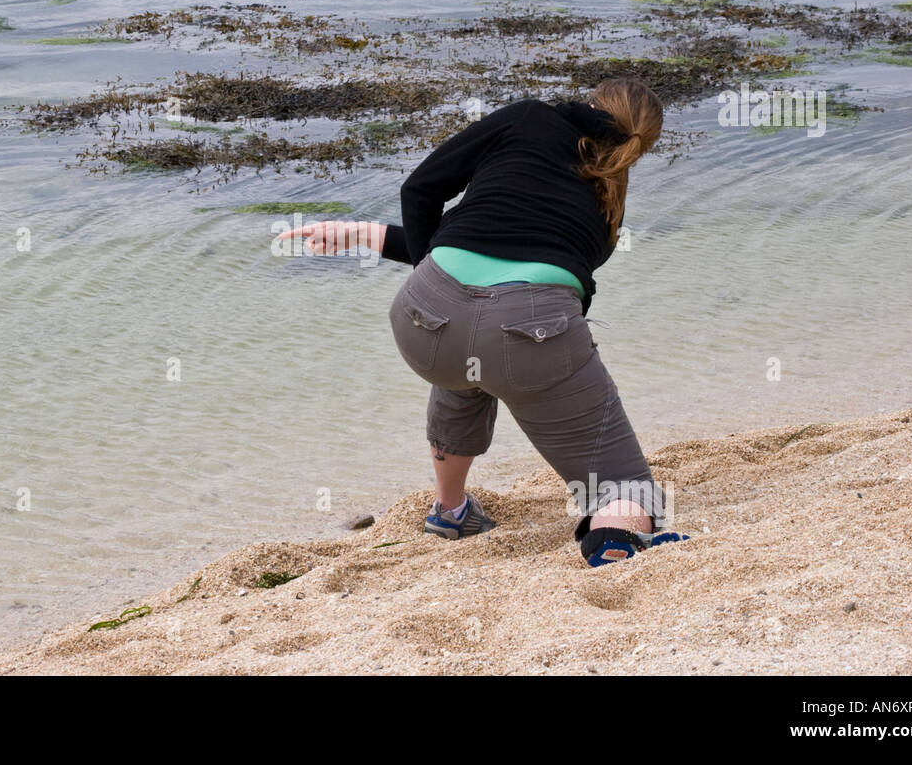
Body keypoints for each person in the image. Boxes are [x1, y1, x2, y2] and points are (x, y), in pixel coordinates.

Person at [279, 77, 687, 566]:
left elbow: (424, 190)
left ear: (591, 100)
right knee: (626, 487)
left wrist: (370, 238)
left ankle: (449, 510)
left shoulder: (529, 116)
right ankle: (612, 543)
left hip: (423, 318)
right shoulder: (607, 214)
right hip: (528, 330)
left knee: (468, 358)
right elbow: (528, 287)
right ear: (636, 149)